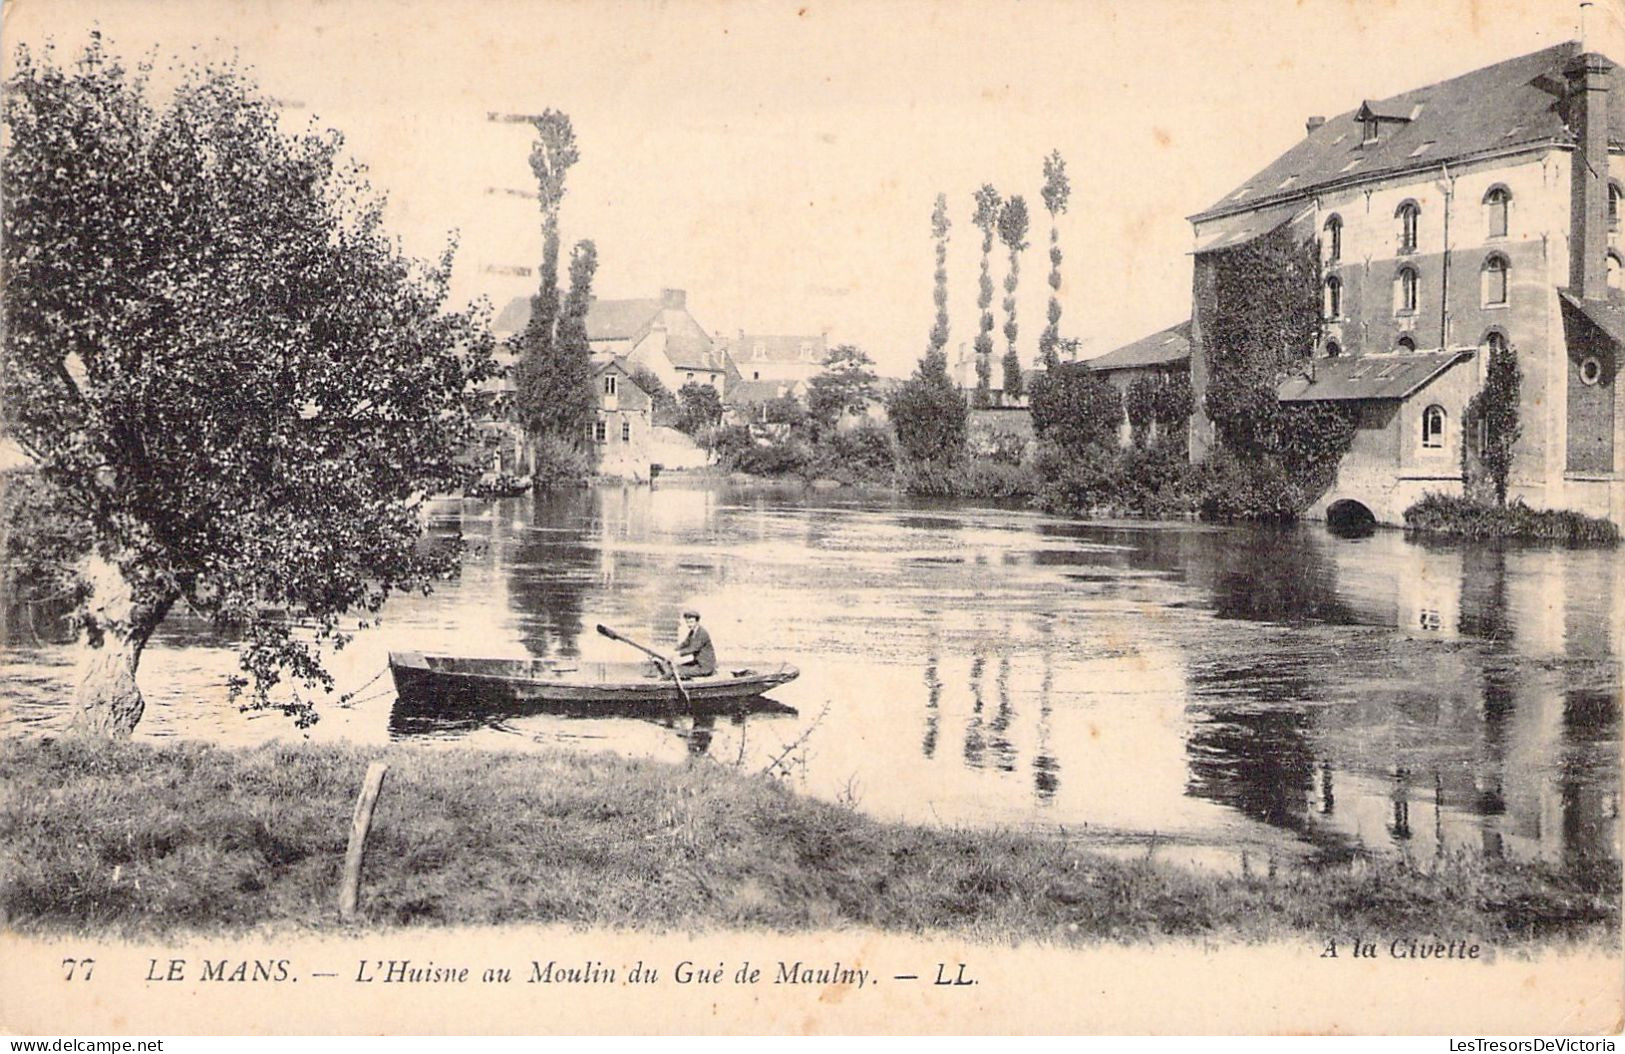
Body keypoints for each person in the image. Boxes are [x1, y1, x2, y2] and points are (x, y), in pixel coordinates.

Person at [672, 609, 716, 676]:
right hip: (697, 663)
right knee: (676, 668)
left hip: (705, 667)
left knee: (677, 671)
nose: (689, 625)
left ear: (697, 622)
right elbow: (685, 643)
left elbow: (693, 648)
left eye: (691, 622)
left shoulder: (702, 633)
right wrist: (673, 650)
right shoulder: (693, 632)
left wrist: (677, 653)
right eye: (687, 622)